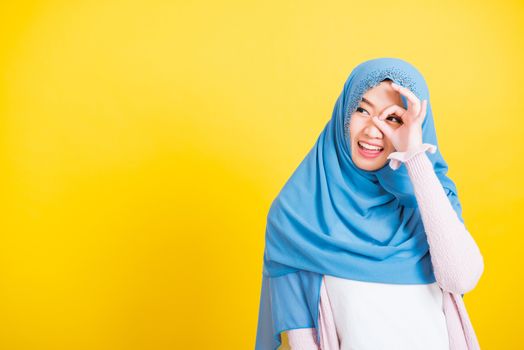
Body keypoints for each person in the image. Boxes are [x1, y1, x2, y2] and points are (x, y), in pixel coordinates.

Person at [254, 57, 484, 350]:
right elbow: (303, 339)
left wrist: (414, 155)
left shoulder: (432, 200)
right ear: (344, 114)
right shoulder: (297, 217)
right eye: (362, 110)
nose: (373, 130)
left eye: (393, 118)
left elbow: (460, 278)